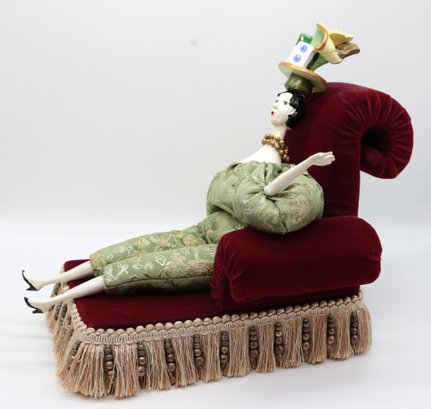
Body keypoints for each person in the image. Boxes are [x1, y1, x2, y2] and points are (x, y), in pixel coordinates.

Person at [23, 89, 335, 313]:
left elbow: (265, 194)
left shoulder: (277, 165)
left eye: (284, 103)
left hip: (223, 245)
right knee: (131, 247)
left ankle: (53, 302)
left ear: (293, 115)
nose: (276, 105)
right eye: (277, 99)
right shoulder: (262, 154)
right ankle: (48, 280)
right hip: (204, 229)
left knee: (136, 268)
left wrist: (307, 163)